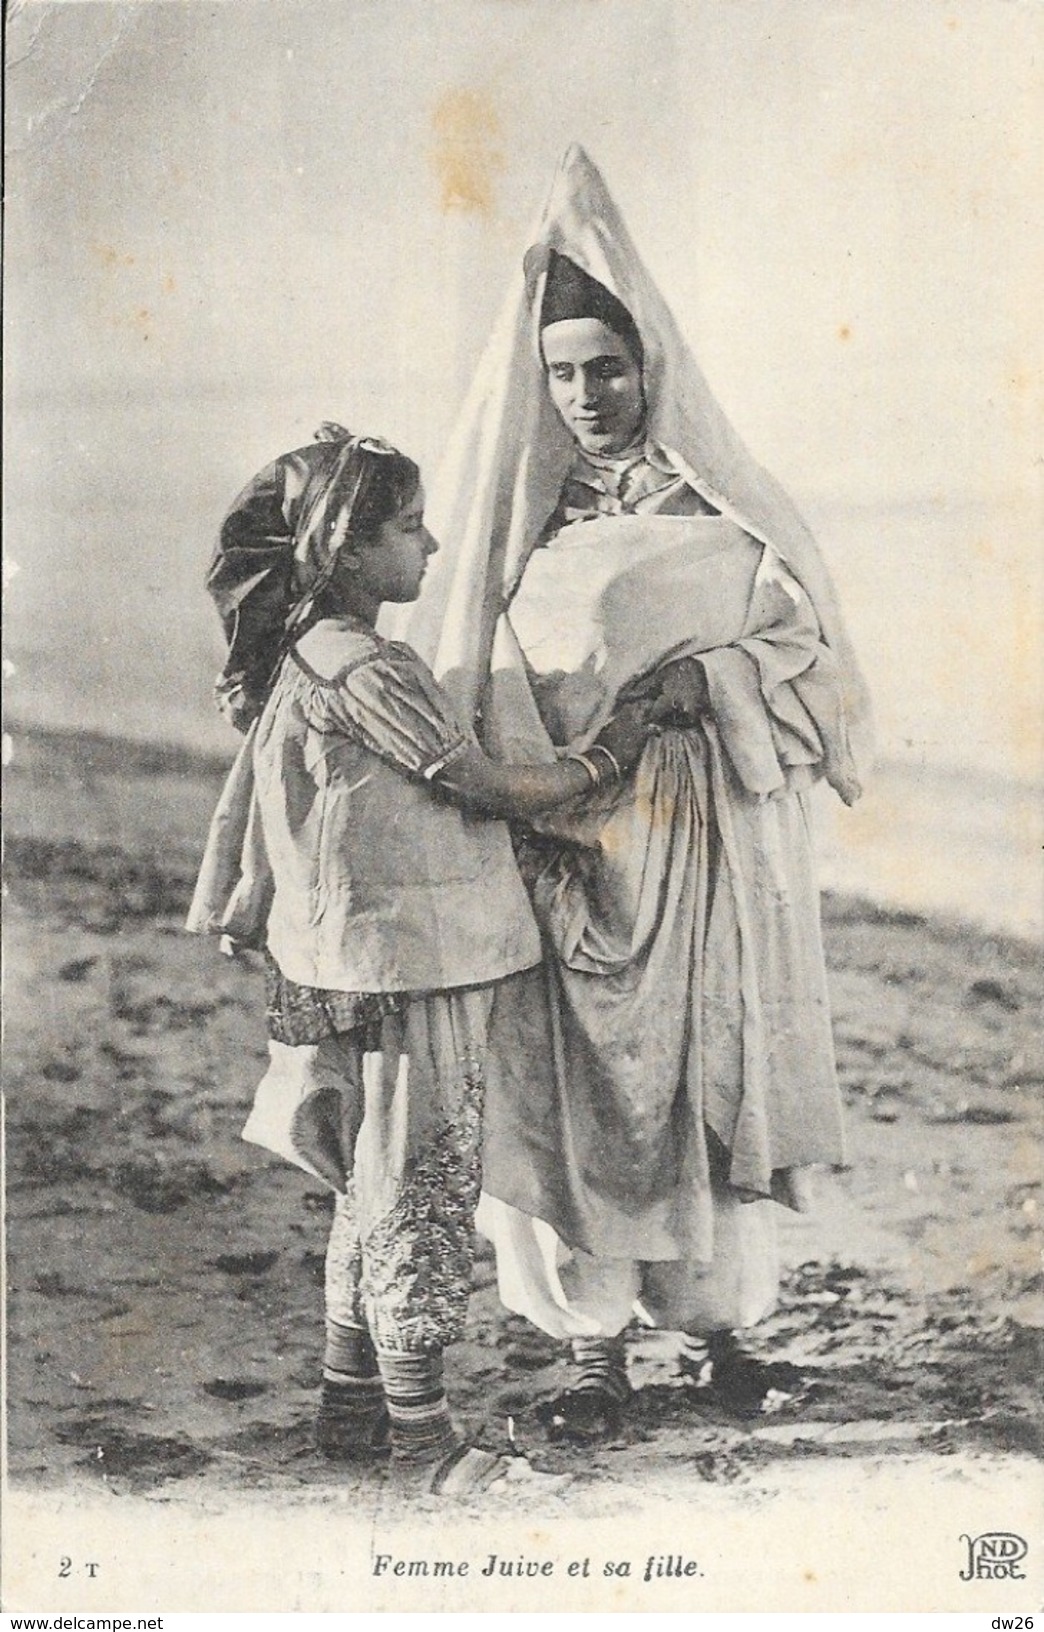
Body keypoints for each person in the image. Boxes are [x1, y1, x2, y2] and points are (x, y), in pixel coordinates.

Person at [397, 147, 874, 1438]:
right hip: (557, 845)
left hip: (697, 841)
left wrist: (701, 685)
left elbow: (808, 661)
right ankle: (591, 1354)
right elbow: (463, 664)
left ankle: (721, 1337)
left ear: (649, 366)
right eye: (562, 372)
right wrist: (526, 771)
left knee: (697, 1077)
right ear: (537, 384)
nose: (588, 394)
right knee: (569, 1087)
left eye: (608, 367)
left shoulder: (728, 509)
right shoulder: (516, 519)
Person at [187, 423, 654, 1495]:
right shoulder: (371, 666)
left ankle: (351, 1403)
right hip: (410, 968)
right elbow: (485, 785)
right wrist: (610, 751)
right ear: (347, 549)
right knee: (423, 1189)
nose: (435, 545)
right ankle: (424, 1439)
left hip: (336, 956)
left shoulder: (303, 650)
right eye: (409, 527)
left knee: (369, 1179)